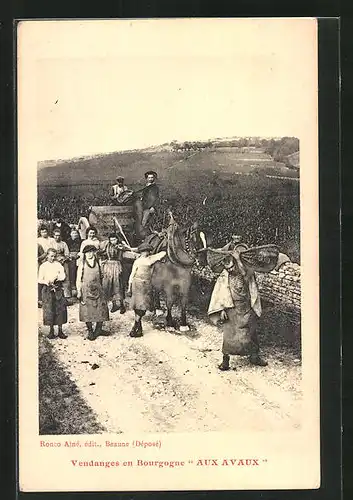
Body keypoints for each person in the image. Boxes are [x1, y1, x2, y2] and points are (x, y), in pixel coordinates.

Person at [207, 245, 268, 371]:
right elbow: (221, 291)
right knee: (229, 333)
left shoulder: (247, 271)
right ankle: (225, 361)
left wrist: (239, 259)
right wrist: (222, 308)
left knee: (251, 331)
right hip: (231, 306)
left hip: (245, 306)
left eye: (231, 262)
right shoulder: (225, 275)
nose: (228, 266)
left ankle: (254, 356)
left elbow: (245, 275)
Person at [127, 242, 166, 337]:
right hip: (137, 284)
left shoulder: (150, 259)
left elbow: (163, 253)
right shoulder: (137, 261)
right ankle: (137, 327)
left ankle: (137, 327)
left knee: (143, 306)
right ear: (140, 252)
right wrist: (129, 287)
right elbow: (132, 275)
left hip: (147, 285)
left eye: (147, 251)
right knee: (138, 306)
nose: (145, 253)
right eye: (143, 251)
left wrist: (153, 255)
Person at [76, 245, 110, 341]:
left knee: (101, 308)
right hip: (86, 289)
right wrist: (79, 291)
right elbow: (78, 278)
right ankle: (90, 330)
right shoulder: (82, 263)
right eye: (88, 252)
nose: (90, 254)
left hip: (98, 288)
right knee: (87, 310)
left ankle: (99, 329)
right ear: (85, 253)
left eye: (92, 252)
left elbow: (102, 275)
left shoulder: (98, 262)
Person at [38, 248, 68, 339]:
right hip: (47, 289)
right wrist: (47, 281)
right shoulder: (43, 266)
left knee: (60, 309)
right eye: (51, 256)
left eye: (54, 256)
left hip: (58, 288)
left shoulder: (58, 265)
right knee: (49, 309)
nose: (53, 258)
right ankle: (51, 331)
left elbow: (63, 276)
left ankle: (60, 330)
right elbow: (39, 279)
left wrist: (57, 277)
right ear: (47, 255)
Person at [100, 232, 128, 314]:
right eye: (111, 240)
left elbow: (127, 249)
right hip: (108, 266)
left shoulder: (120, 246)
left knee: (118, 285)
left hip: (117, 266)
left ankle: (122, 305)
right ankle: (114, 304)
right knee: (108, 285)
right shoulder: (107, 246)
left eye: (114, 239)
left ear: (117, 239)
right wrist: (99, 254)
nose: (113, 241)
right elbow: (104, 253)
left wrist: (122, 245)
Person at [51, 228, 71, 299]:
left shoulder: (64, 243)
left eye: (59, 235)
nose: (57, 237)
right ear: (53, 236)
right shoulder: (51, 243)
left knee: (66, 276)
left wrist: (64, 259)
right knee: (54, 277)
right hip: (54, 261)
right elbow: (49, 253)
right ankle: (55, 295)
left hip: (63, 261)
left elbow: (67, 254)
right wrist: (55, 260)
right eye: (56, 235)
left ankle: (67, 296)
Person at [66, 228, 82, 297]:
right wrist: (70, 256)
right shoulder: (68, 241)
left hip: (79, 257)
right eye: (73, 233)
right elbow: (66, 251)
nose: (74, 234)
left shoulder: (80, 241)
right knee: (72, 273)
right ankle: (72, 289)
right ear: (70, 234)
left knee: (78, 272)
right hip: (71, 258)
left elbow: (81, 250)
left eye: (76, 233)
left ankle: (79, 289)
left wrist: (78, 255)